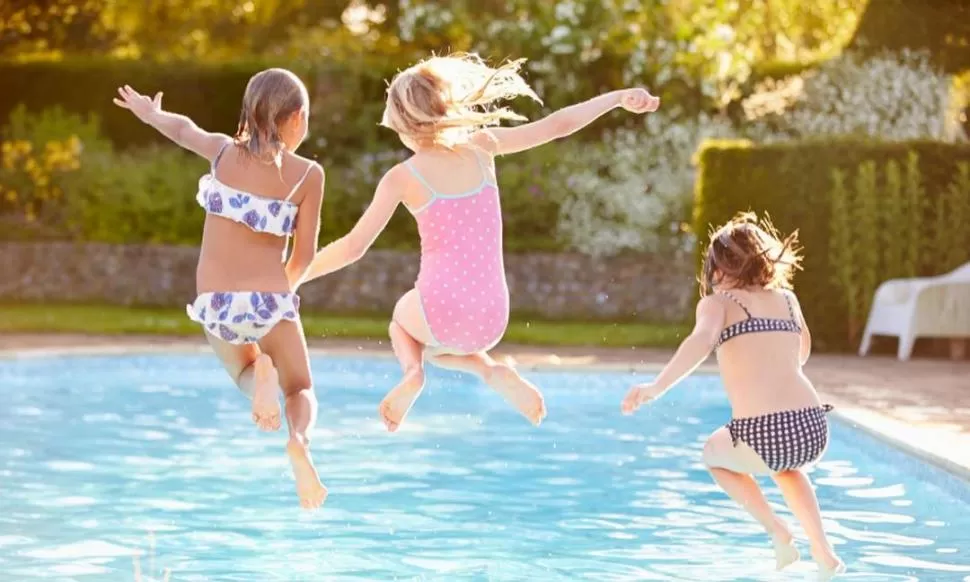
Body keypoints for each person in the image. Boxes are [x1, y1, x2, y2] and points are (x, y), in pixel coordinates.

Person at [298, 52, 659, 432]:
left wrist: (295, 275)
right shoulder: (483, 147)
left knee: (403, 329)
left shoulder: (401, 177)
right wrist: (617, 97)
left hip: (439, 310)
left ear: (404, 126)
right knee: (444, 345)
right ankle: (489, 369)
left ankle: (412, 374)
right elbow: (558, 125)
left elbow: (354, 247)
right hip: (493, 317)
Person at [112, 69, 327, 509]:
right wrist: (276, 302)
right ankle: (299, 441)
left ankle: (260, 377)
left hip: (215, 304)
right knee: (300, 388)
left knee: (244, 373)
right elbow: (302, 257)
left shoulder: (223, 153)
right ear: (297, 118)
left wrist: (150, 113)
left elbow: (183, 129)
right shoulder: (308, 175)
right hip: (269, 299)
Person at [621, 212, 845, 580]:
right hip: (812, 427)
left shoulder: (718, 303)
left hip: (764, 432)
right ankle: (824, 550)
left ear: (718, 267)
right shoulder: (787, 299)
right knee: (788, 468)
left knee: (714, 456)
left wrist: (655, 387)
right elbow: (801, 351)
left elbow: (699, 343)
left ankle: (778, 531)